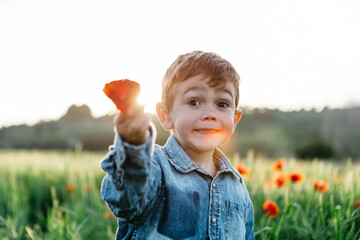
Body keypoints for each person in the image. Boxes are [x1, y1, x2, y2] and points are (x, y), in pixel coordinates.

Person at [100, 50, 255, 239]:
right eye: (194, 102)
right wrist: (134, 145)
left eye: (222, 104)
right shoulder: (154, 166)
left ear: (235, 118)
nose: (210, 114)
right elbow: (126, 199)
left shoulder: (237, 186)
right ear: (166, 116)